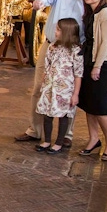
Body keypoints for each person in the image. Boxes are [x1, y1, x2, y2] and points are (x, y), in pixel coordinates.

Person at [15, 0, 93, 146]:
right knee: (38, 88)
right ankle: (35, 130)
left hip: (74, 50)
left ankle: (66, 135)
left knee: (70, 93)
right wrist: (40, 1)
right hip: (51, 47)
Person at [78, 0, 107, 161]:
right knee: (89, 105)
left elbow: (106, 43)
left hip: (101, 63)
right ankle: (94, 139)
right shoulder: (91, 13)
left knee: (101, 107)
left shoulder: (106, 13)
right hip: (88, 61)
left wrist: (97, 66)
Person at [35, 18, 83, 154]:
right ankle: (46, 140)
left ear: (66, 32)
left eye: (58, 30)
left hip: (65, 90)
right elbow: (47, 67)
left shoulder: (76, 51)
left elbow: (78, 74)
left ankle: (59, 142)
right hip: (50, 87)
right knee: (47, 115)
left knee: (63, 116)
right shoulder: (53, 47)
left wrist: (75, 94)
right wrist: (43, 85)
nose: (55, 32)